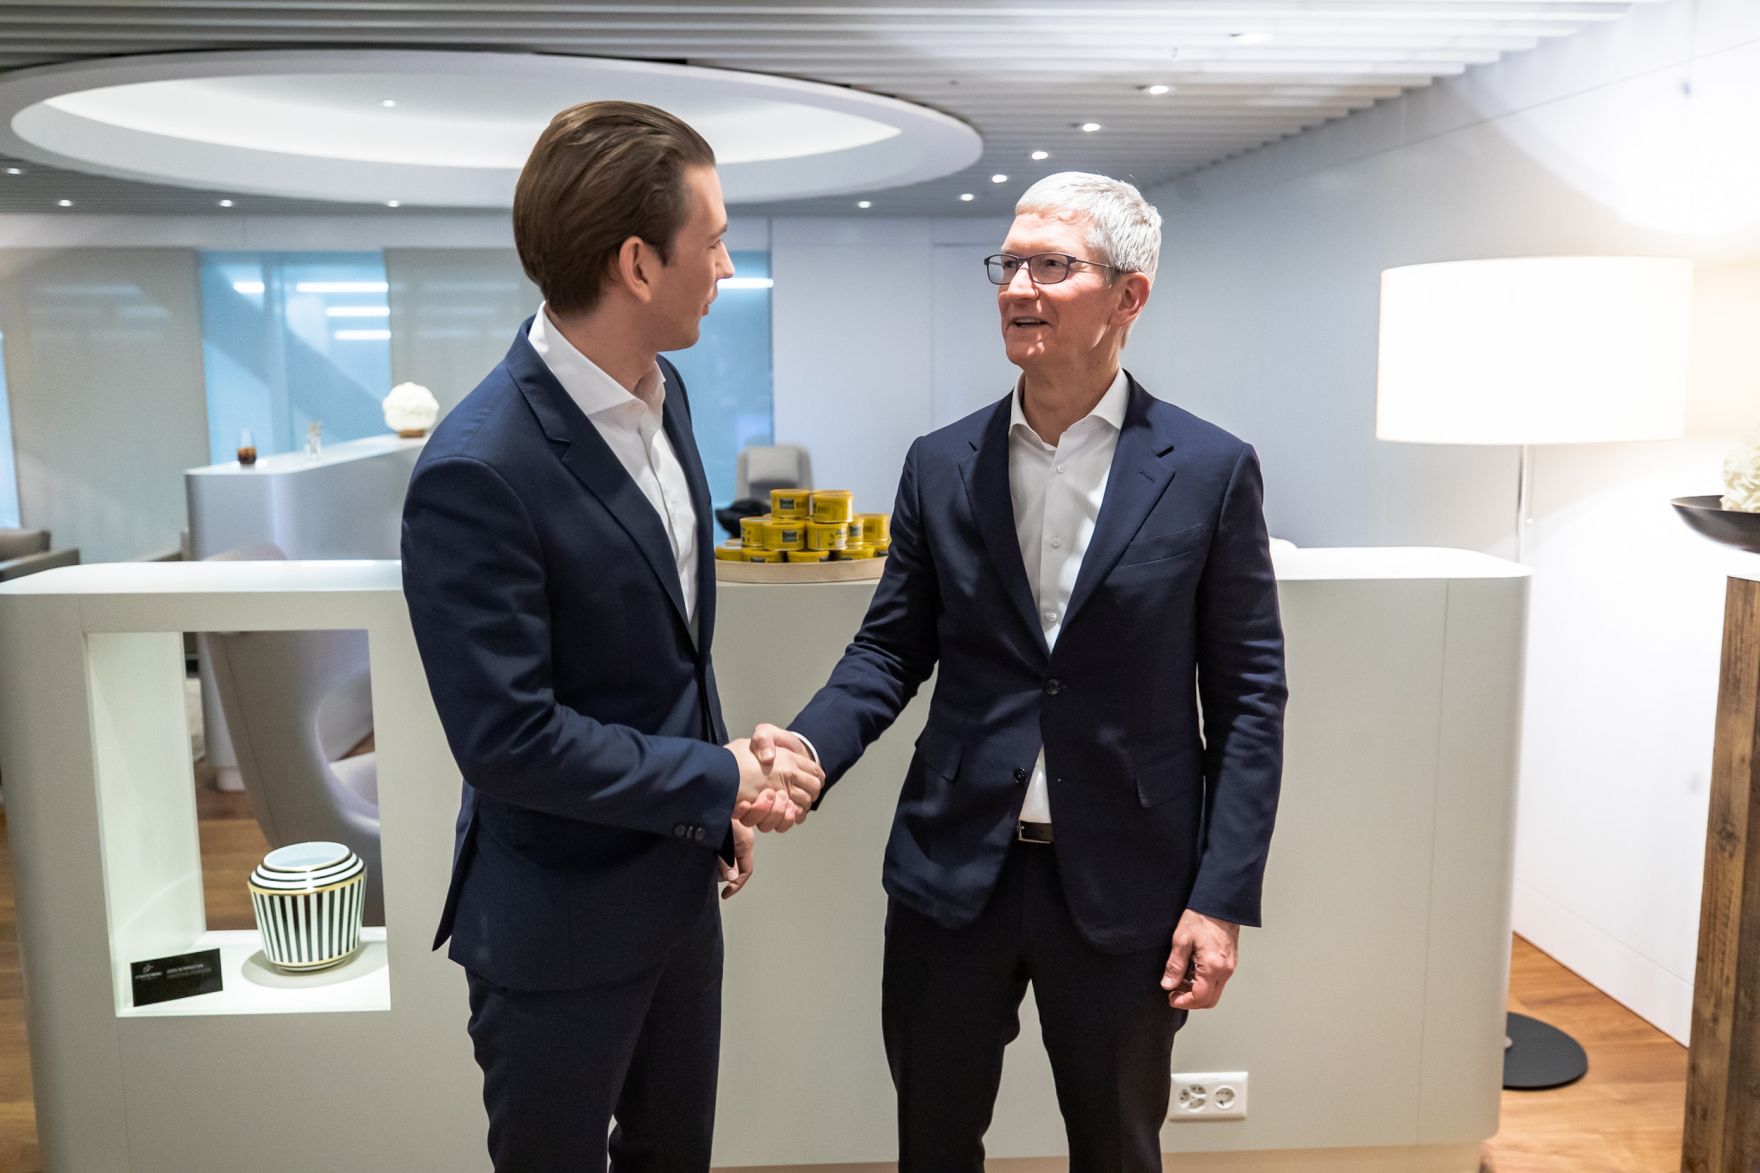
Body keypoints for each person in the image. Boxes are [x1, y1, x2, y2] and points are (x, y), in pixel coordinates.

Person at [743, 172, 1287, 1172]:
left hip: (1130, 882)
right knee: (933, 1141)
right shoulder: (940, 461)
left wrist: (1219, 897)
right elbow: (889, 648)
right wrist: (805, 751)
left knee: (1117, 1147)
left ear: (1128, 296)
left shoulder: (1207, 470)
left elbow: (1250, 698)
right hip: (953, 872)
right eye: (1009, 264)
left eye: (1052, 265)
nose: (1017, 287)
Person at [401, 100, 822, 1172]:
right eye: (714, 240)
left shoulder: (664, 392)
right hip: (556, 927)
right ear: (637, 263)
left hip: (676, 895)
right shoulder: (475, 468)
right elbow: (507, 740)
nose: (724, 266)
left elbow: (673, 650)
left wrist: (713, 796)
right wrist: (714, 774)